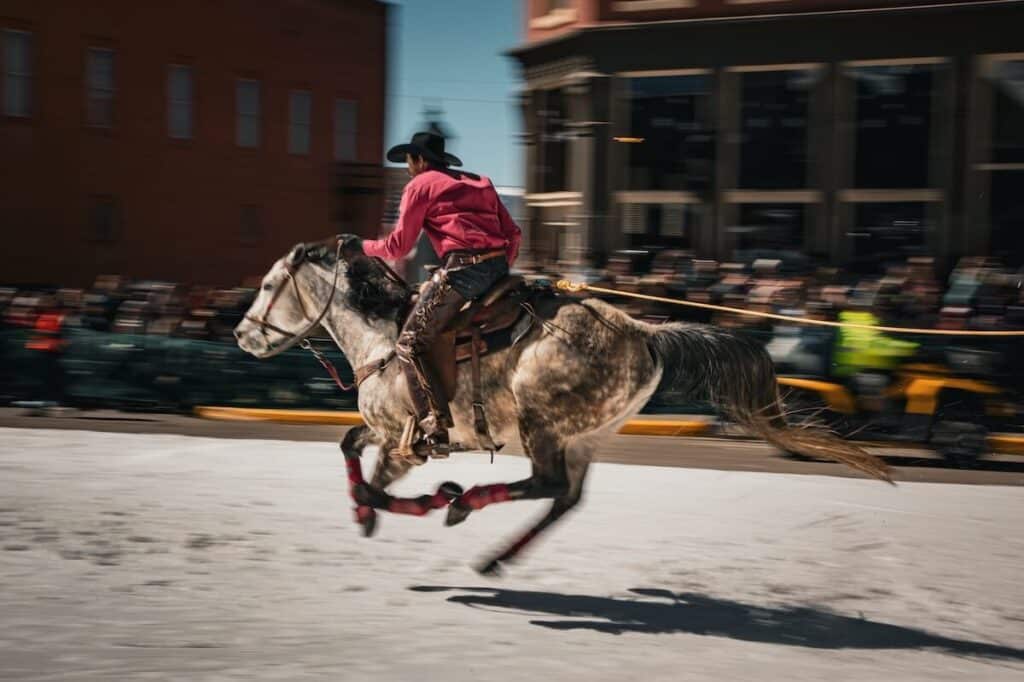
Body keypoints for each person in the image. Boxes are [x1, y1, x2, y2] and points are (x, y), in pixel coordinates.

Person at [345, 131, 521, 456]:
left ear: (421, 160)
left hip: (461, 273)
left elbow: (398, 245)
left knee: (410, 343)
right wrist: (495, 270)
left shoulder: (420, 185)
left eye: (410, 162)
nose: (409, 169)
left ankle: (433, 426)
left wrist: (362, 247)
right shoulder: (481, 182)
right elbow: (513, 233)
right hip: (497, 271)